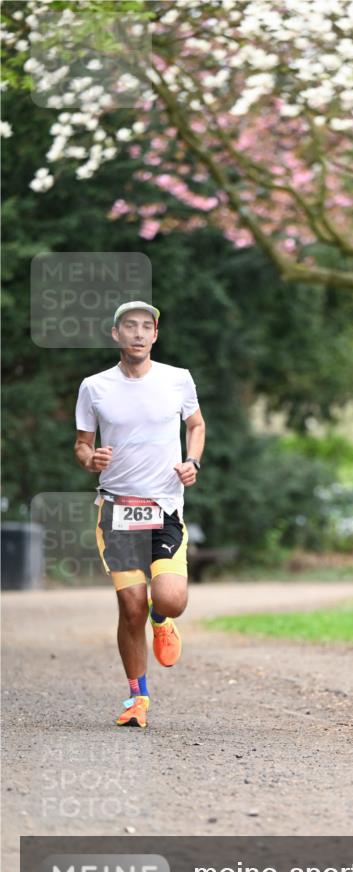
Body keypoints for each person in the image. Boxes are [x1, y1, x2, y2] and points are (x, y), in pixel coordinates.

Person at [74, 301, 206, 728]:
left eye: (145, 326)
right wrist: (89, 458)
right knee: (129, 605)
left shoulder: (177, 380)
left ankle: (162, 618)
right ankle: (138, 698)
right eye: (129, 326)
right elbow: (81, 443)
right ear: (116, 334)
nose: (137, 333)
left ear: (154, 335)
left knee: (169, 598)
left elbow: (196, 425)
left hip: (165, 506)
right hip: (116, 508)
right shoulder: (94, 386)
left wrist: (194, 461)